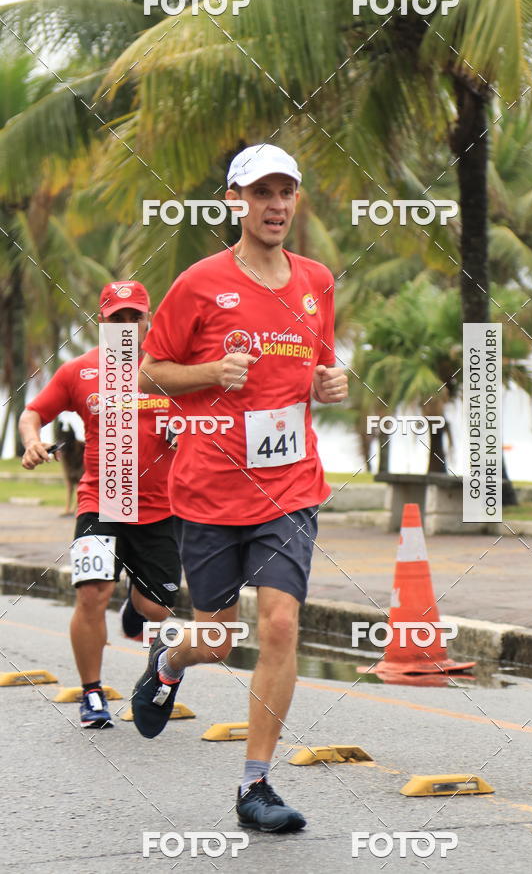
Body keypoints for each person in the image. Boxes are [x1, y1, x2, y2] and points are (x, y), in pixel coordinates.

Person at [131, 144, 348, 833]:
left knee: (280, 623)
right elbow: (148, 373)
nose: (276, 205)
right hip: (210, 489)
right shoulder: (199, 283)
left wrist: (330, 382)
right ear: (235, 200)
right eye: (261, 193)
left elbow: (318, 367)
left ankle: (255, 785)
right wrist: (208, 374)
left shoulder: (317, 281)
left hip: (291, 487)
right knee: (218, 640)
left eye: (286, 192)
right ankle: (170, 660)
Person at [19, 282, 181, 729]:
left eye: (135, 318)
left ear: (149, 321)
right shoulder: (79, 371)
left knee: (157, 610)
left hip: (160, 508)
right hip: (101, 500)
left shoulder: (175, 372)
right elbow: (33, 413)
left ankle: (137, 605)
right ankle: (92, 693)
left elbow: (214, 416)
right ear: (101, 322)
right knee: (92, 594)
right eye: (116, 319)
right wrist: (32, 441)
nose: (126, 327)